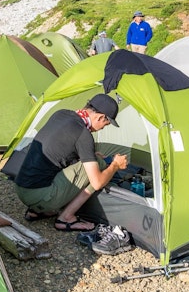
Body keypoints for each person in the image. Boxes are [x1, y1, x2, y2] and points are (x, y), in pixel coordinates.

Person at [14, 94, 129, 232]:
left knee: (88, 160)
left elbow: (59, 151)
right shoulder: (83, 134)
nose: (103, 128)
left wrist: (88, 155)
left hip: (21, 188)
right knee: (99, 164)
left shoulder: (61, 114)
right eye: (105, 124)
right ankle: (66, 217)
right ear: (100, 117)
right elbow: (97, 182)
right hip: (40, 196)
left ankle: (36, 211)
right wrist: (115, 165)